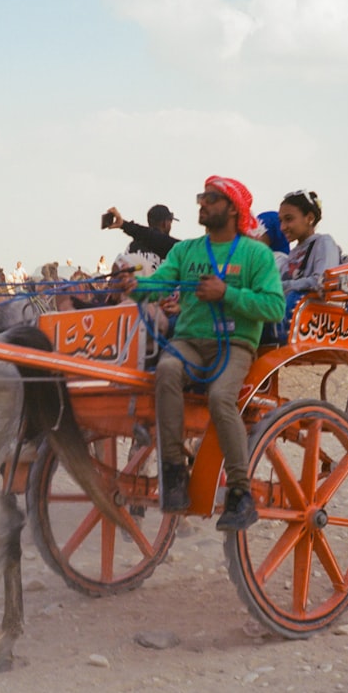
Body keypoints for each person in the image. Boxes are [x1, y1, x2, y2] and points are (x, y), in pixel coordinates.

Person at [119, 176, 285, 532]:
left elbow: (273, 307)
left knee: (222, 397)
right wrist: (134, 286)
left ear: (233, 208)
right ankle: (174, 472)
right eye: (201, 197)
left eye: (211, 198)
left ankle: (241, 492)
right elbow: (158, 284)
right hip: (190, 341)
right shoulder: (186, 251)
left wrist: (227, 294)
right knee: (166, 372)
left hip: (237, 343)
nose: (202, 204)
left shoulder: (256, 254)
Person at [278, 190, 341, 295]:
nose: (283, 227)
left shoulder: (323, 242)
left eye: (288, 219)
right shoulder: (293, 253)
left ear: (309, 218)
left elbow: (324, 281)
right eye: (281, 221)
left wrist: (280, 287)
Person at [105, 203, 179, 271]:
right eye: (170, 221)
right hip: (159, 285)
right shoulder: (174, 248)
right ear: (165, 223)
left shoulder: (132, 245)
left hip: (135, 284)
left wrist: (124, 224)